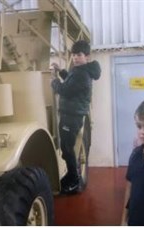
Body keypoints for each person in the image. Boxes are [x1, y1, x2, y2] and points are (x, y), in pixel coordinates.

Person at [51, 40, 101, 194]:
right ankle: (70, 177)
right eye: (73, 55)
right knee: (67, 148)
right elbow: (70, 80)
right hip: (73, 114)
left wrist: (54, 82)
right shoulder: (80, 70)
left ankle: (74, 182)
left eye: (79, 55)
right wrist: (61, 72)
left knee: (67, 149)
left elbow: (65, 90)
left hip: (71, 116)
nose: (75, 58)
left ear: (87, 56)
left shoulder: (81, 73)